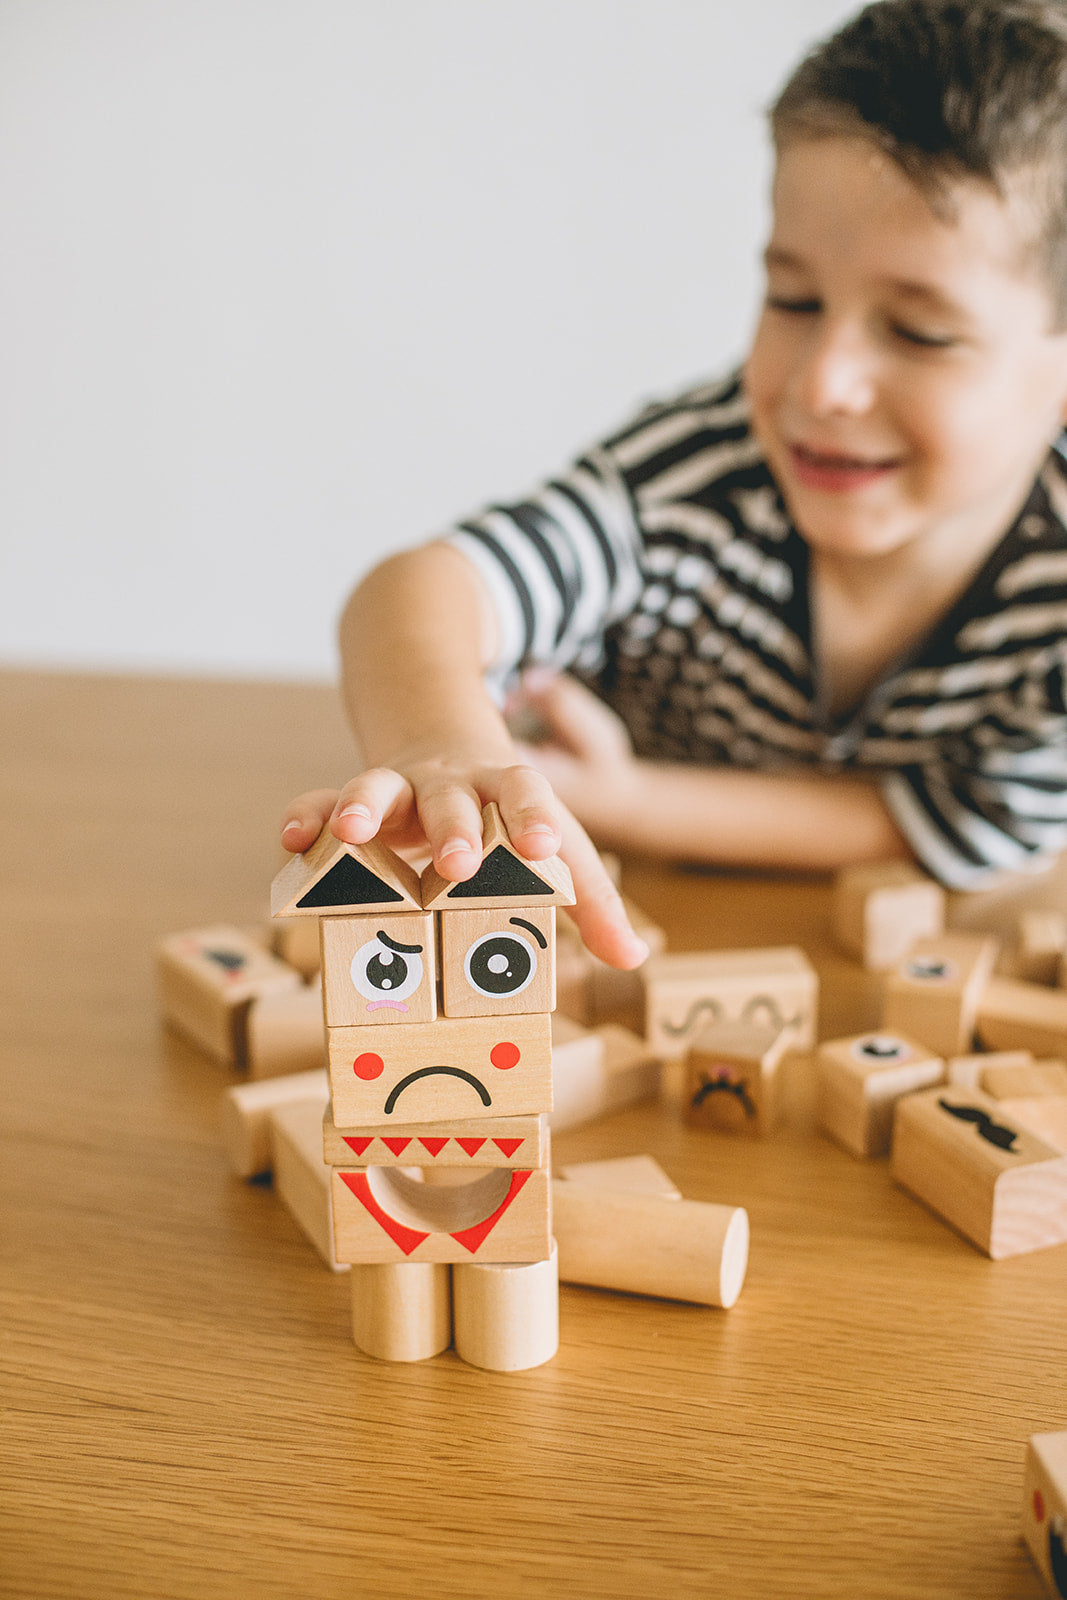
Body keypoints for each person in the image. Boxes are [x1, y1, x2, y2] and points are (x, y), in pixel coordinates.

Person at [282, 0, 1067, 970]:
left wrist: (625, 799)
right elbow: (416, 588)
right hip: (626, 925)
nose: (822, 385)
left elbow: (946, 824)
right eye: (792, 300)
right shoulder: (690, 483)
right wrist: (445, 744)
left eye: (918, 332)